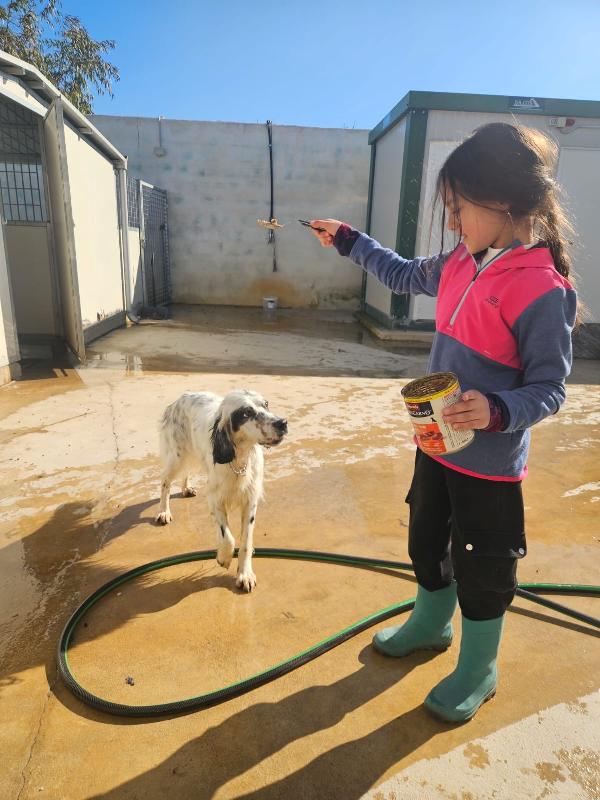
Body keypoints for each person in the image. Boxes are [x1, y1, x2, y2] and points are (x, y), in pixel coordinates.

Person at [310, 122, 578, 723]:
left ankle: (480, 668)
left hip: (489, 466)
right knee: (427, 538)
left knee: (484, 565)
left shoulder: (543, 290)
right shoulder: (462, 260)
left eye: (458, 209)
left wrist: (499, 409)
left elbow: (550, 388)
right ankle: (431, 624)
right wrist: (350, 240)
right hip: (435, 443)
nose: (452, 223)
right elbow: (405, 274)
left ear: (503, 201)